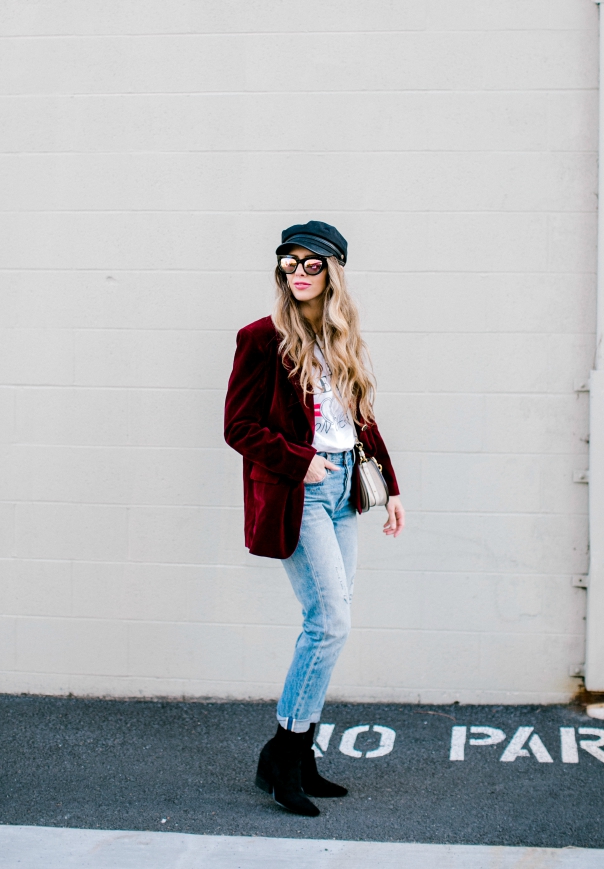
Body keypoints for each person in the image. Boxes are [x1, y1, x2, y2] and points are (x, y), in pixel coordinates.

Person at [224, 220, 405, 817]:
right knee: (329, 622)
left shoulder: (340, 337)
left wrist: (391, 486)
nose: (298, 273)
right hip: (298, 491)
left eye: (312, 264)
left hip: (343, 491)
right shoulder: (260, 338)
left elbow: (360, 418)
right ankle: (284, 753)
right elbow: (239, 428)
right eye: (290, 263)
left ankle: (296, 756)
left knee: (331, 619)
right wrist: (299, 463)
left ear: (334, 273)